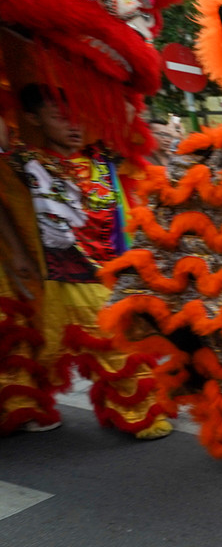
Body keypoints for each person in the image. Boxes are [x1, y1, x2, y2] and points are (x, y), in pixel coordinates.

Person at [1, 85, 171, 439]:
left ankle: (136, 412)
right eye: (59, 117)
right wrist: (16, 252)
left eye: (78, 117)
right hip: (52, 278)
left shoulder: (103, 155)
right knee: (36, 349)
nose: (73, 125)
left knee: (115, 344)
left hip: (104, 276)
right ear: (33, 118)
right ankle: (23, 407)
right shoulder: (27, 161)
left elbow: (127, 113)